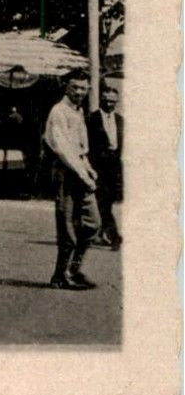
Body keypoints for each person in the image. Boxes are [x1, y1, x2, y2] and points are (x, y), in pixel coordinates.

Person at [44, 70, 100, 289]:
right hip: (66, 173)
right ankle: (60, 276)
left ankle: (73, 269)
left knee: (93, 224)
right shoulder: (58, 111)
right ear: (66, 87)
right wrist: (83, 176)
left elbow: (80, 149)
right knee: (67, 227)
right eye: (75, 87)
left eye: (83, 88)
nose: (79, 92)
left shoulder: (78, 112)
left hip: (80, 171)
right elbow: (63, 150)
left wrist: (88, 168)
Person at [87, 82, 123, 250]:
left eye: (113, 101)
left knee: (107, 203)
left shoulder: (120, 120)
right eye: (107, 100)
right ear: (101, 100)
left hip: (114, 167)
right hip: (98, 166)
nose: (109, 104)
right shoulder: (92, 119)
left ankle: (100, 235)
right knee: (101, 203)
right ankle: (115, 236)